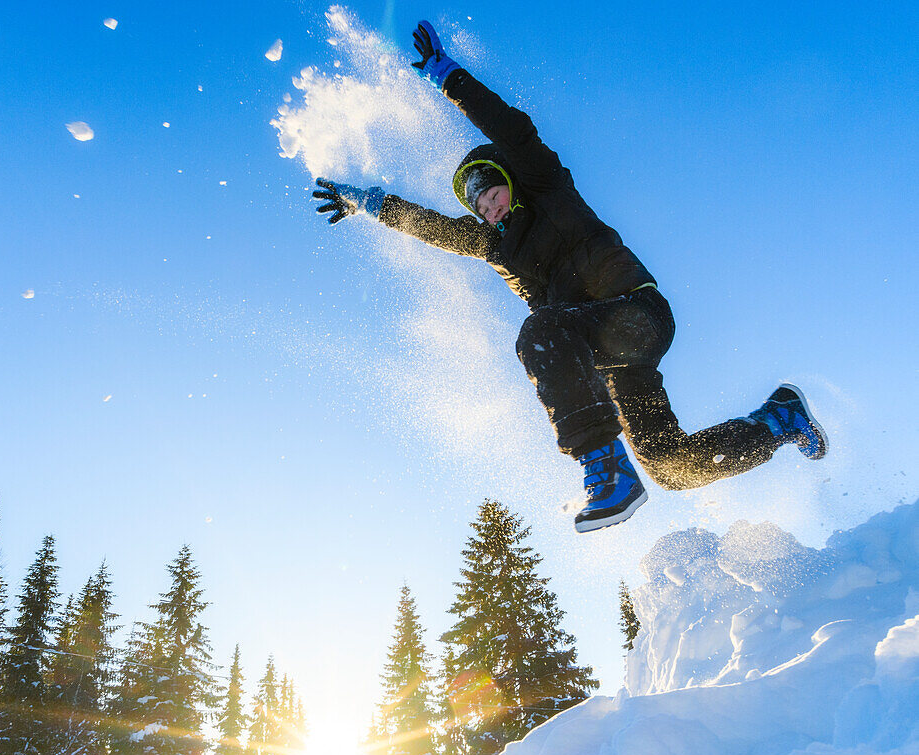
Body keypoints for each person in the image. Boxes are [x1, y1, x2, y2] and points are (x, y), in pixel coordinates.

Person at [312, 21, 827, 533]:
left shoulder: (547, 187)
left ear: (508, 181)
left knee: (541, 331)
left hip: (636, 313)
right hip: (608, 352)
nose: (488, 207)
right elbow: (432, 228)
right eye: (477, 204)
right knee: (672, 466)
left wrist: (448, 76)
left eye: (490, 191)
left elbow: (512, 129)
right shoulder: (495, 245)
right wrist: (363, 200)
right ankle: (779, 420)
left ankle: (606, 471)